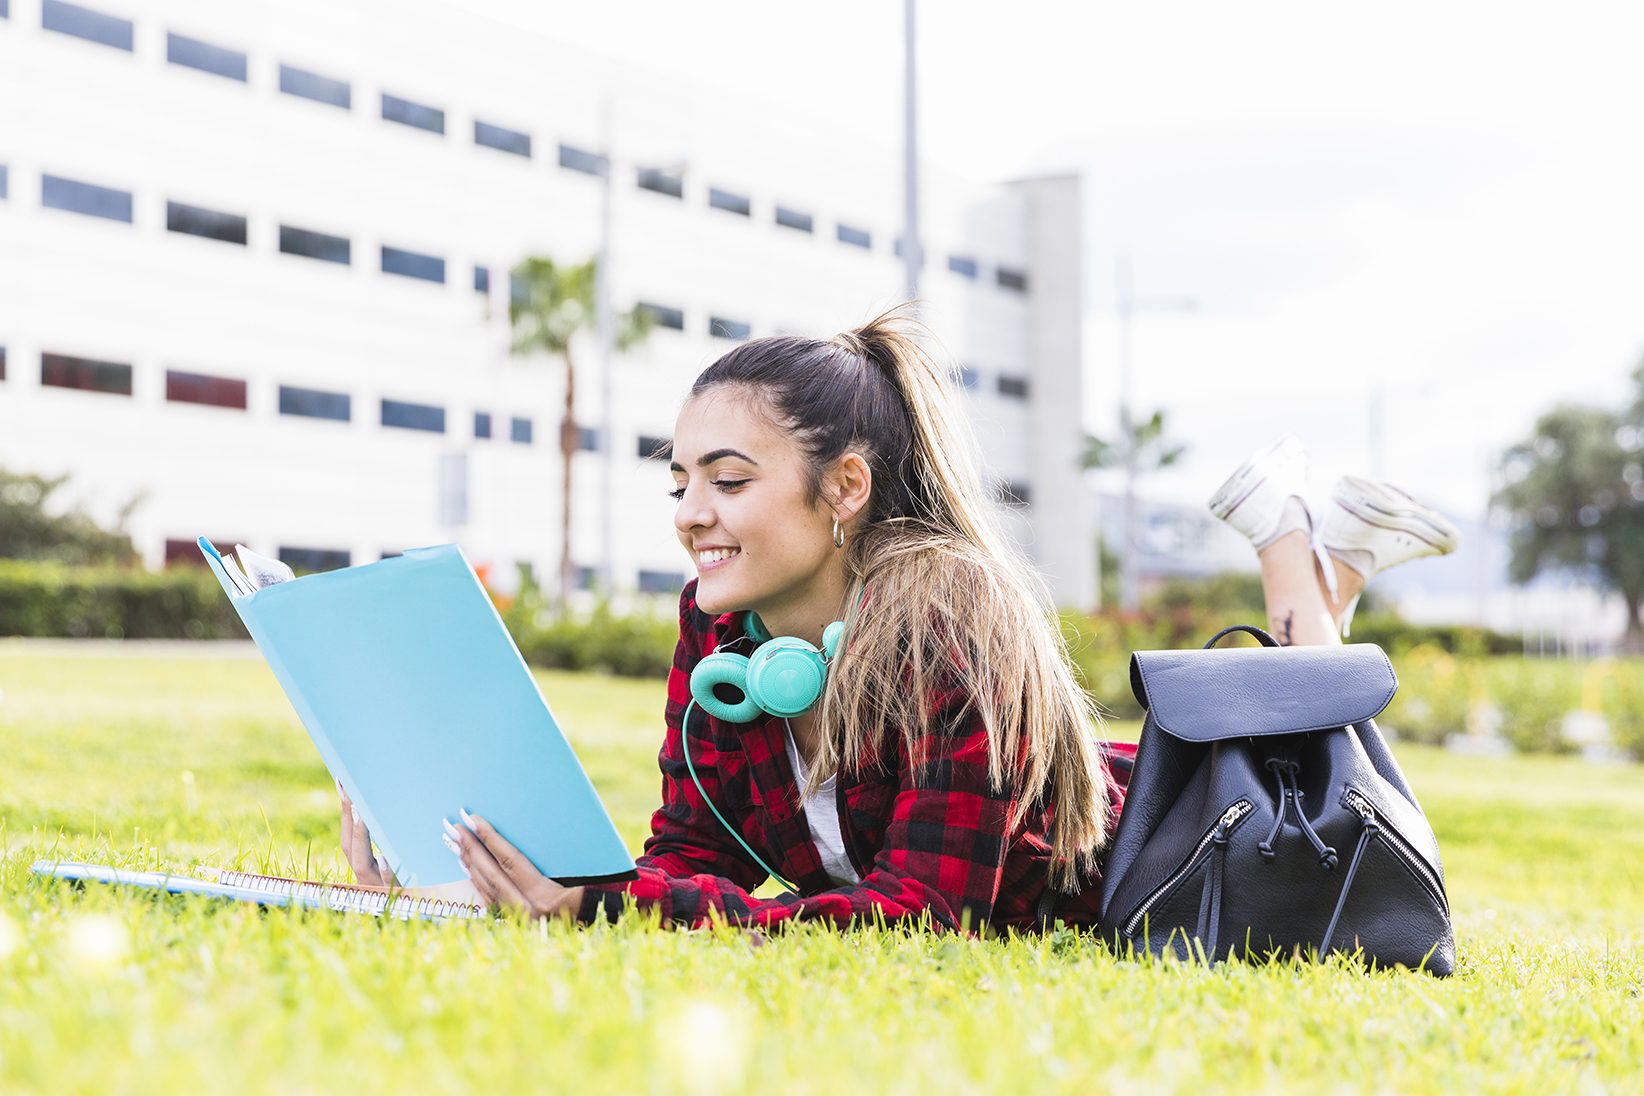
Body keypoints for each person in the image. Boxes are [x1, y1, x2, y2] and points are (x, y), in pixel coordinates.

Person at [338, 312, 1458, 933]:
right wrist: (499, 877)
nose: (689, 514)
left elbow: (920, 913)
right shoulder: (718, 629)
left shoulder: (949, 622)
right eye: (677, 480)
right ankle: (1332, 559)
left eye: (726, 480)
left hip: (1181, 845)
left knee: (1318, 779)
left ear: (845, 488)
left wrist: (618, 910)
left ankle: (1298, 559)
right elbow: (687, 853)